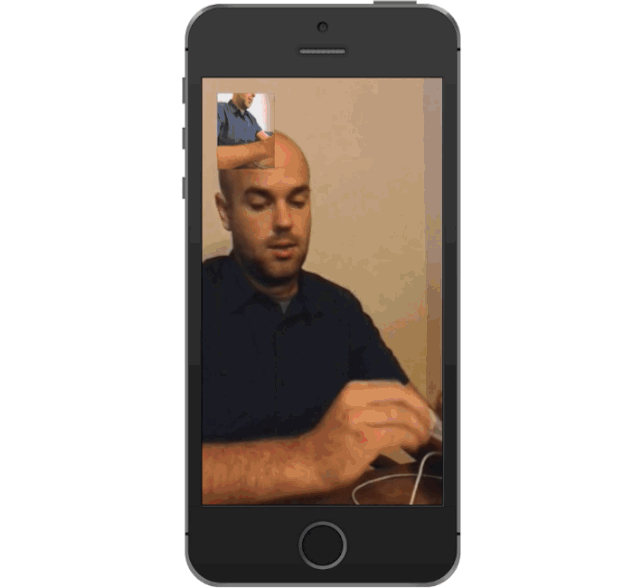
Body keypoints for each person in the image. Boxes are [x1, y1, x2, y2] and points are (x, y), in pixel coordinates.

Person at [202, 131, 440, 504]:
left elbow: (418, 427)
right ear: (225, 211)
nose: (284, 221)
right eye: (260, 204)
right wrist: (311, 460)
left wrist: (442, 430)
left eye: (298, 201)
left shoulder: (339, 308)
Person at [217, 93, 275, 170]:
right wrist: (261, 149)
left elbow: (267, 141)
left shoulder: (251, 118)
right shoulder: (219, 109)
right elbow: (208, 155)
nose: (254, 94)